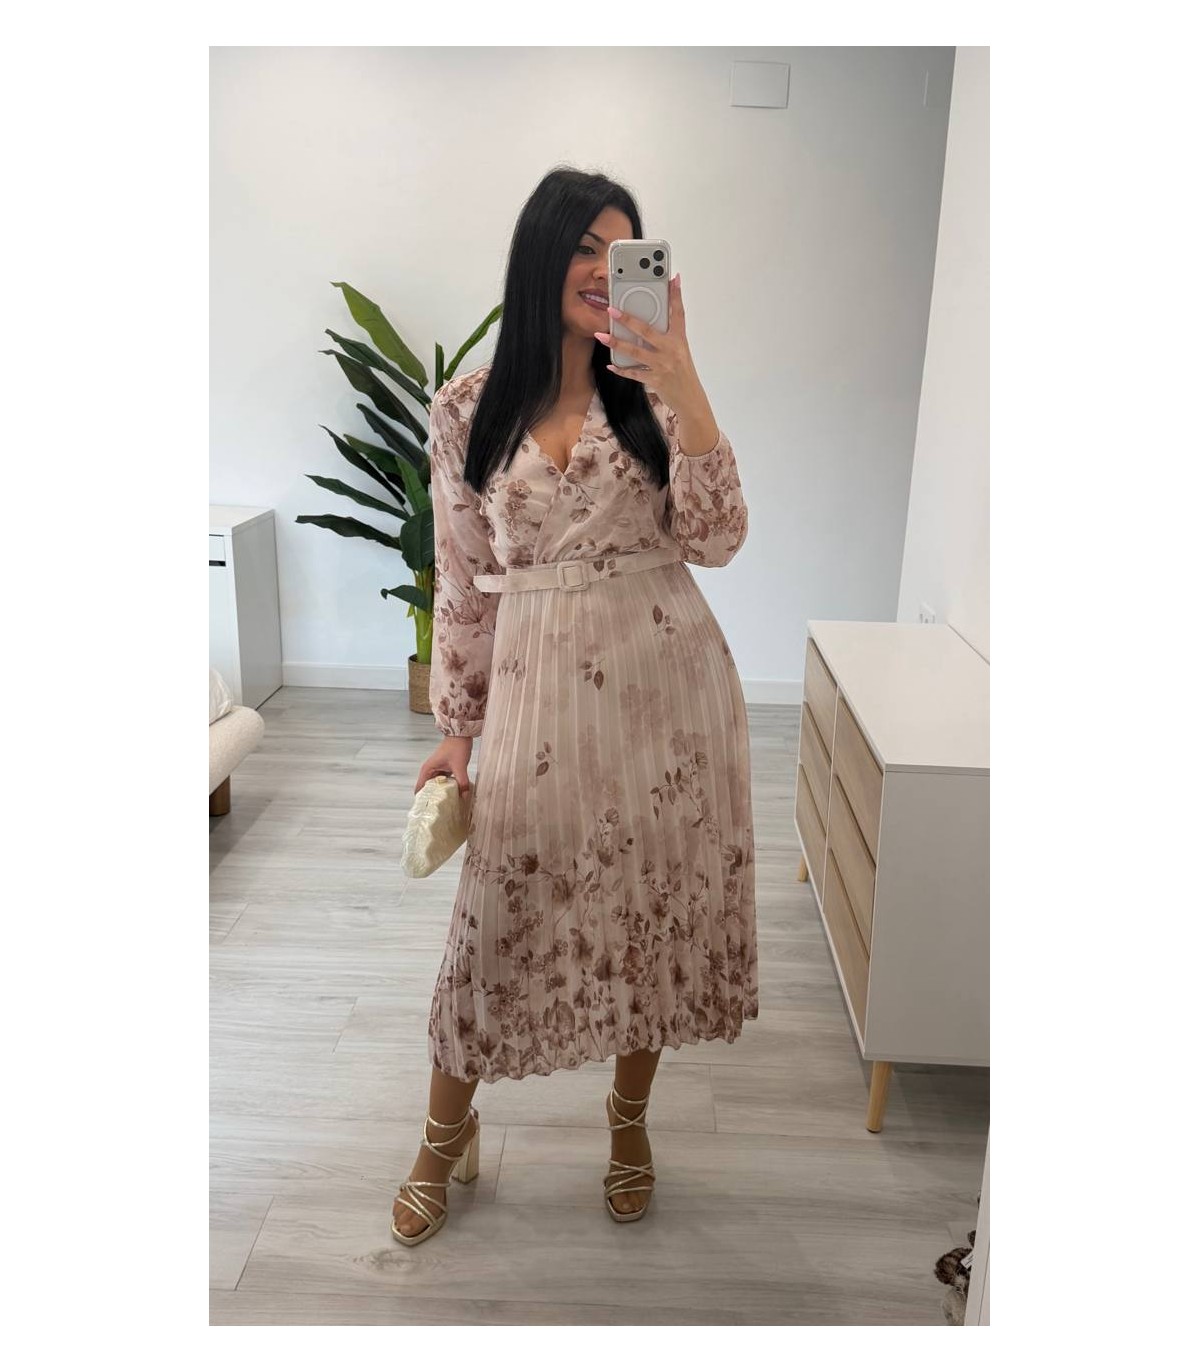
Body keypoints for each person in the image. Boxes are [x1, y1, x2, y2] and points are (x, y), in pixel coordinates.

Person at [392, 166, 757, 1245]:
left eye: (623, 249)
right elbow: (462, 579)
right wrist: (457, 728)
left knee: (647, 916)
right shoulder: (466, 409)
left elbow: (720, 540)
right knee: (494, 927)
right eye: (585, 246)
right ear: (540, 254)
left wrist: (684, 381)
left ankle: (629, 1121)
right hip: (536, 691)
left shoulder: (653, 390)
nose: (604, 268)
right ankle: (442, 1137)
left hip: (667, 686)